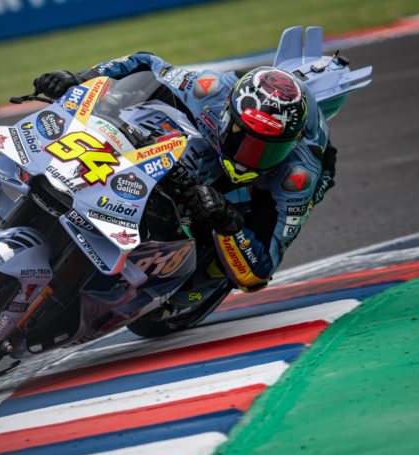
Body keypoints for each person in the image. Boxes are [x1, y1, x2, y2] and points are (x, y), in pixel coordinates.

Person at [33, 52, 338, 333]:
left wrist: (226, 220)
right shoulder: (210, 89)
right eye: (246, 141)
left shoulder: (298, 175)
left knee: (229, 239)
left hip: (264, 187)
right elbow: (146, 63)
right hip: (201, 144)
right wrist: (84, 78)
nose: (251, 157)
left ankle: (191, 289)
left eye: (268, 150)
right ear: (227, 116)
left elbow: (258, 273)